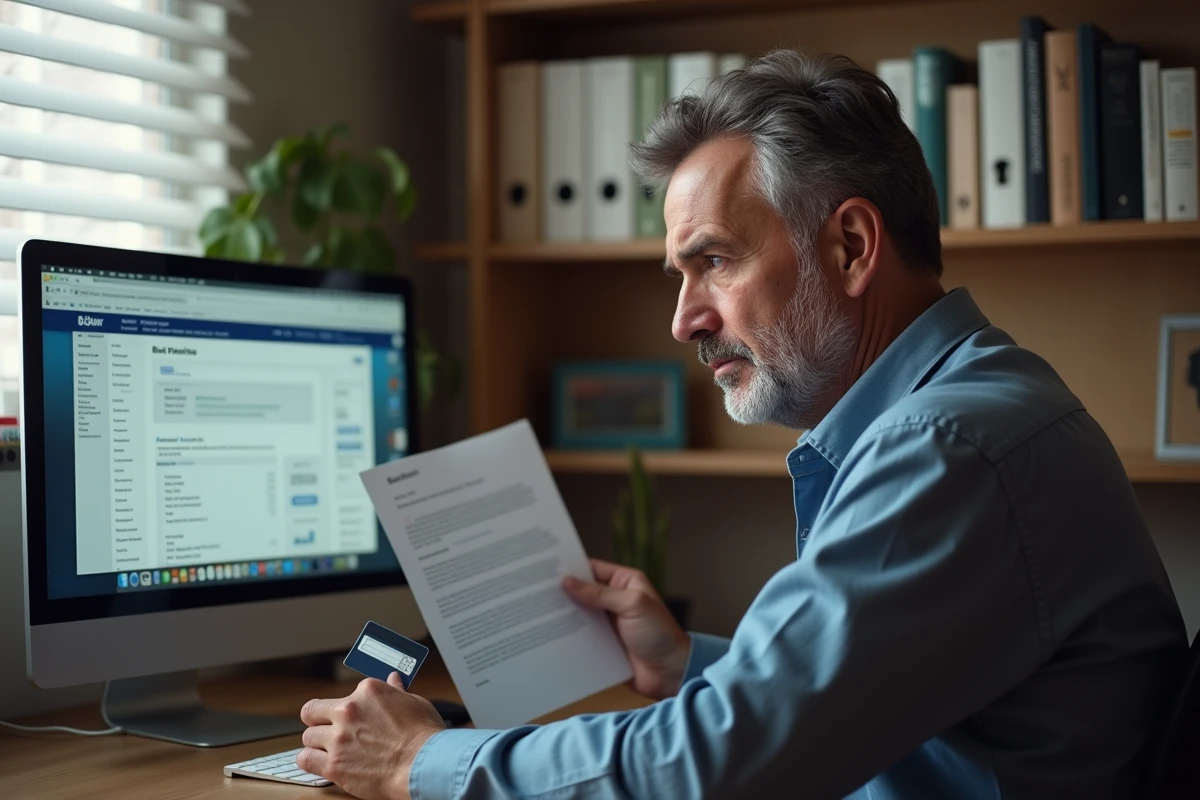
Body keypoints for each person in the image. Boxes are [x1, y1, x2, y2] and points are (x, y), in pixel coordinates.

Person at [295, 50, 1187, 799]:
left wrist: (420, 761)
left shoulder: (946, 449)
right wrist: (687, 663)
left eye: (713, 262)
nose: (684, 319)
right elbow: (841, 701)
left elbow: (715, 769)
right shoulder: (983, 400)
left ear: (851, 247)